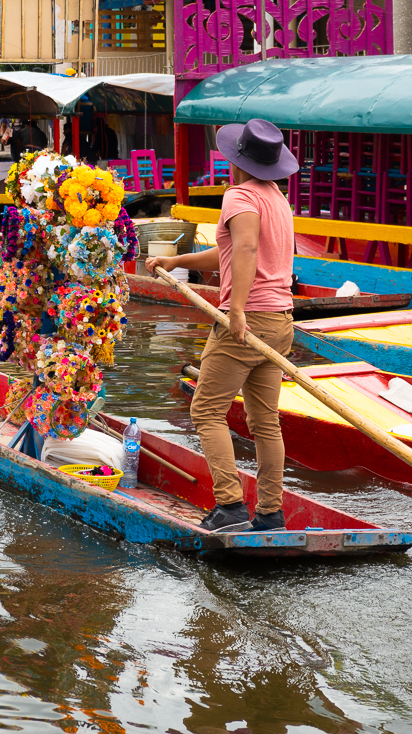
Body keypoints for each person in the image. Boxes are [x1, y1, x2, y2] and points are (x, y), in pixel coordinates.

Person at [145, 119, 299, 534]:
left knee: (206, 409)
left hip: (249, 321)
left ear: (238, 160)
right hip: (281, 320)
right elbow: (230, 252)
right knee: (265, 421)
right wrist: (177, 261)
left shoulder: (239, 196)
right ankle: (270, 513)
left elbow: (246, 248)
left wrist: (237, 310)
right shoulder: (276, 198)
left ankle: (230, 505)